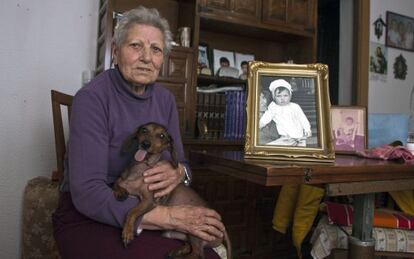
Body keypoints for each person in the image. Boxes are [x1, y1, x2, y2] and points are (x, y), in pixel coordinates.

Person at [52, 6, 225, 259]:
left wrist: (179, 173)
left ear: (162, 59)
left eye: (156, 49)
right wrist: (169, 217)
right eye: (135, 46)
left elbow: (184, 166)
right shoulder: (92, 99)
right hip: (92, 215)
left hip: (149, 204)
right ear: (115, 51)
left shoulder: (165, 100)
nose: (146, 57)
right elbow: (87, 192)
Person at [259, 79, 312, 146]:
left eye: (285, 95)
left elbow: (302, 118)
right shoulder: (273, 107)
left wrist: (307, 129)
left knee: (300, 151)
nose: (282, 98)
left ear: (290, 96)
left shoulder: (295, 106)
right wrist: (259, 125)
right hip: (286, 137)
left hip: (300, 135)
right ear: (274, 97)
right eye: (279, 96)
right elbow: (266, 118)